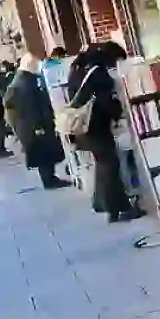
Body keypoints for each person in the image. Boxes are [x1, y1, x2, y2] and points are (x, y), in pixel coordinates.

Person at [67, 42, 142, 223]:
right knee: (110, 165)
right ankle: (118, 209)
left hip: (83, 128)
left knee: (103, 164)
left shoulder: (78, 69)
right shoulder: (98, 74)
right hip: (96, 128)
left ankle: (103, 204)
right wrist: (119, 113)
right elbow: (105, 102)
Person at [5, 54, 71, 190]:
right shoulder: (26, 83)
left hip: (30, 124)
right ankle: (49, 180)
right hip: (35, 124)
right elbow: (30, 107)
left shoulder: (21, 79)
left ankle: (49, 178)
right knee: (44, 152)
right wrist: (38, 125)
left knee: (43, 152)